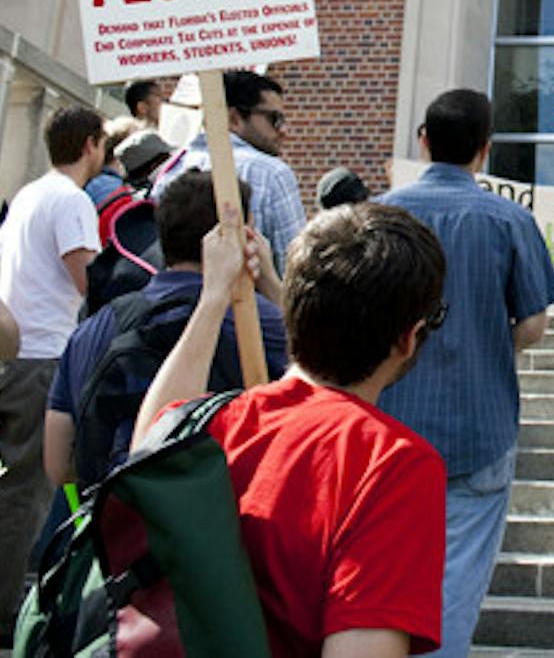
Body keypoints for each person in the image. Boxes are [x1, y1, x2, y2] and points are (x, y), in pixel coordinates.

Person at [133, 203, 449, 657]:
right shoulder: (393, 465)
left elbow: (149, 440)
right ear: (409, 337)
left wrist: (214, 295)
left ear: (293, 313)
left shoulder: (209, 424)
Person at [378, 89, 554, 658]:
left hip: (387, 425)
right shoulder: (510, 219)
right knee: (454, 586)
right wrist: (490, 342)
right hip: (480, 423)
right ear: (485, 150)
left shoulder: (378, 216)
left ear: (423, 141)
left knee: (383, 575)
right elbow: (533, 325)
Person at [44, 170, 289, 490]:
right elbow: (326, 374)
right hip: (225, 524)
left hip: (118, 527)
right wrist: (270, 282)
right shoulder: (262, 326)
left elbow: (58, 463)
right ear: (242, 239)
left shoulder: (93, 329)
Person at [0, 106, 104, 635]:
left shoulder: (29, 194)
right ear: (91, 145)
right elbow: (90, 280)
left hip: (13, 351)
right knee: (28, 490)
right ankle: (5, 615)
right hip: (42, 357)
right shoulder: (71, 200)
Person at [152, 70, 306, 273]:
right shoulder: (272, 174)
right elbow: (294, 266)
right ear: (233, 118)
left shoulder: (170, 170)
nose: (284, 130)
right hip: (253, 302)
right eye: (274, 119)